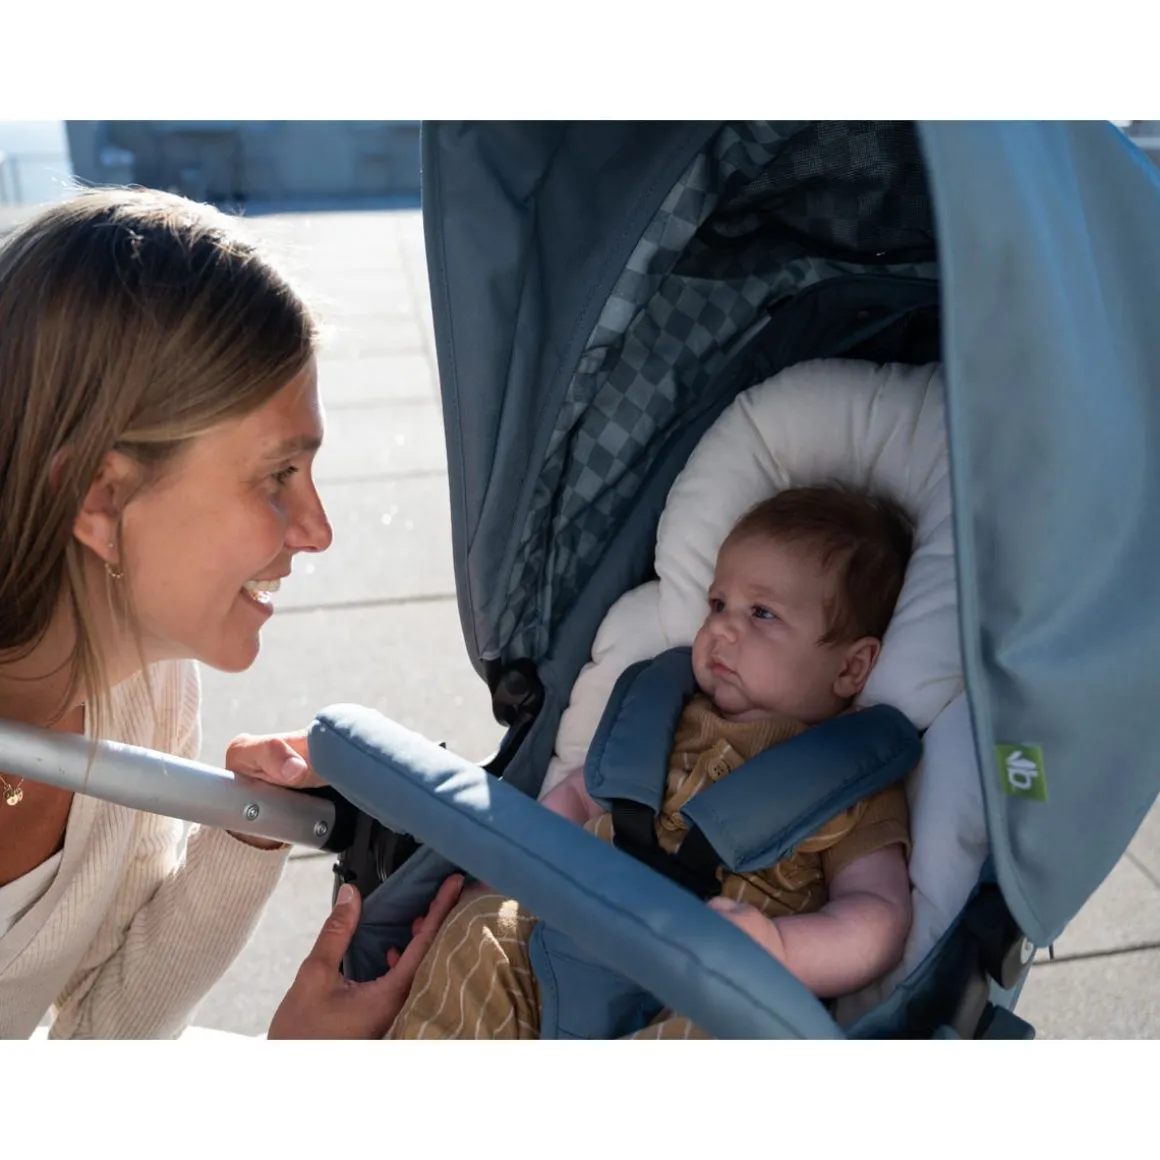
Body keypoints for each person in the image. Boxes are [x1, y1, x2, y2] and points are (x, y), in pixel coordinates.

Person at [0, 188, 460, 1040]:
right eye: (278, 475)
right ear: (100, 498)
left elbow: (98, 1027)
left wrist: (248, 830)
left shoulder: (144, 688)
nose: (318, 530)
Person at [385, 484, 917, 1039]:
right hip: (570, 937)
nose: (721, 627)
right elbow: (579, 795)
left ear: (851, 668)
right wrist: (504, 877)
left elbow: (877, 914)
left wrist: (781, 950)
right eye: (718, 604)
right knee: (479, 929)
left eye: (762, 613)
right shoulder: (665, 715)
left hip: (705, 985)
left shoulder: (851, 782)